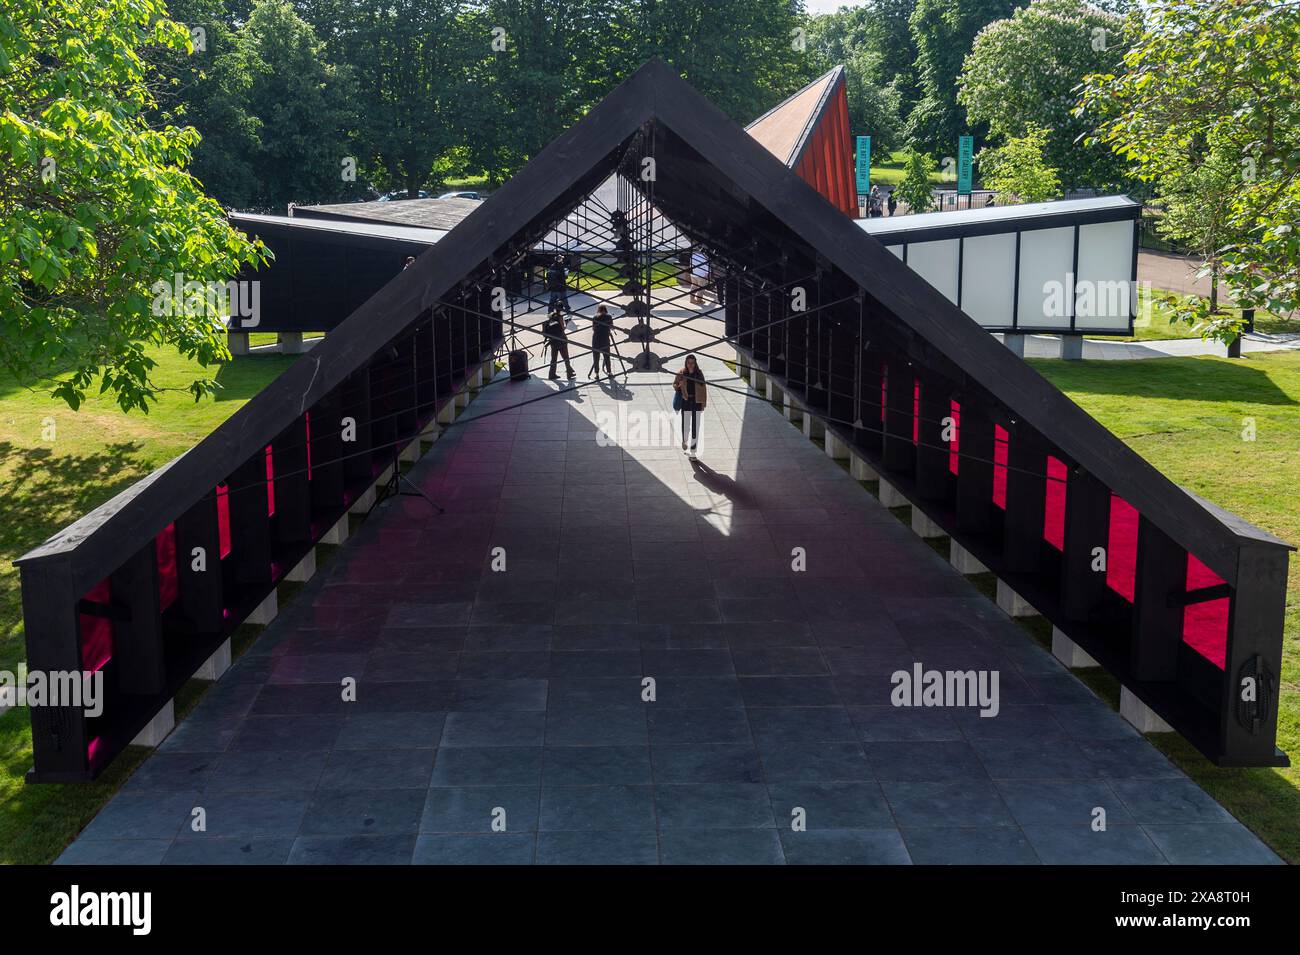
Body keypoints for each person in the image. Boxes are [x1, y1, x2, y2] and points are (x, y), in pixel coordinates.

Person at [673, 354, 707, 457]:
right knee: (685, 425)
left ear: (695, 363)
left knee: (695, 427)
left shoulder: (699, 374)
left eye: (692, 363)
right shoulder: (681, 373)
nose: (691, 365)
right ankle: (684, 441)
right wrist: (679, 385)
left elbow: (704, 389)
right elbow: (674, 384)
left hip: (696, 403)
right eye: (689, 363)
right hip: (686, 402)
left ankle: (693, 451)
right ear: (686, 363)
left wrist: (703, 404)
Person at [542, 307, 576, 380]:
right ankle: (569, 374)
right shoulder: (559, 318)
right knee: (566, 358)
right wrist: (566, 324)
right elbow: (562, 329)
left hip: (553, 342)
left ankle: (551, 374)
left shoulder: (548, 322)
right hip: (561, 341)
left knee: (553, 359)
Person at [590, 304, 614, 378]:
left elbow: (593, 328)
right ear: (605, 310)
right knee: (607, 356)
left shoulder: (595, 317)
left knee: (596, 357)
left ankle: (597, 374)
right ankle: (609, 372)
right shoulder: (609, 316)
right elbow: (612, 327)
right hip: (605, 339)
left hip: (596, 339)